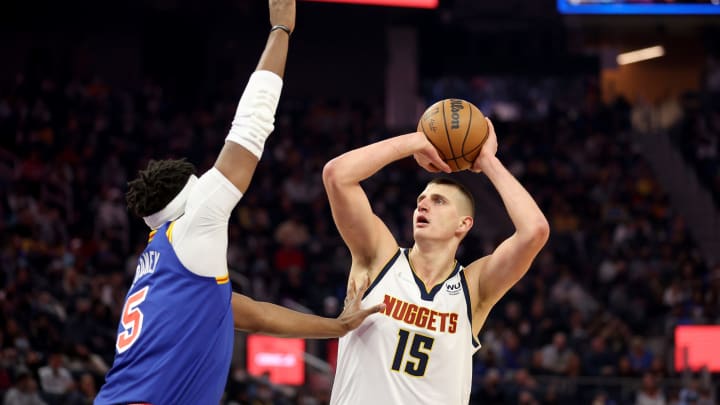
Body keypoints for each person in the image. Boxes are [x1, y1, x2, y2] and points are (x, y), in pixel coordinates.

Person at [95, 1, 383, 404]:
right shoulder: (194, 223)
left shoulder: (171, 267)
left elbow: (257, 315)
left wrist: (335, 327)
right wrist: (280, 30)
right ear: (191, 193)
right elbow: (251, 125)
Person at [323, 119, 550, 404]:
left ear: (464, 224)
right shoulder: (380, 259)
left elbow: (534, 231)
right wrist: (417, 141)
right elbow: (337, 175)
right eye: (421, 198)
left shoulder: (474, 288)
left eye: (439, 201)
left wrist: (487, 161)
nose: (423, 204)